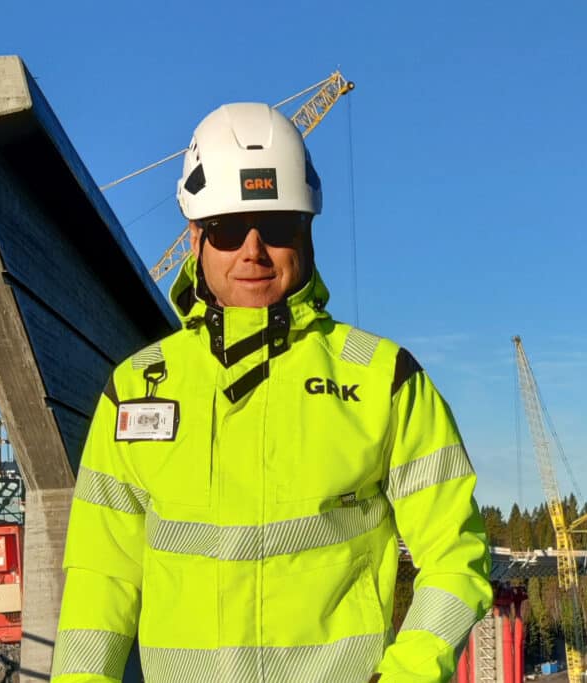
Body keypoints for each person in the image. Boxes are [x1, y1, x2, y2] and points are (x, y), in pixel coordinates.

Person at [51, 102, 493, 683]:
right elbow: (100, 579)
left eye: (277, 226)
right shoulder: (136, 389)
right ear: (195, 238)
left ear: (306, 230)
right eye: (229, 229)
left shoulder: (384, 380)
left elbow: (455, 560)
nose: (253, 250)